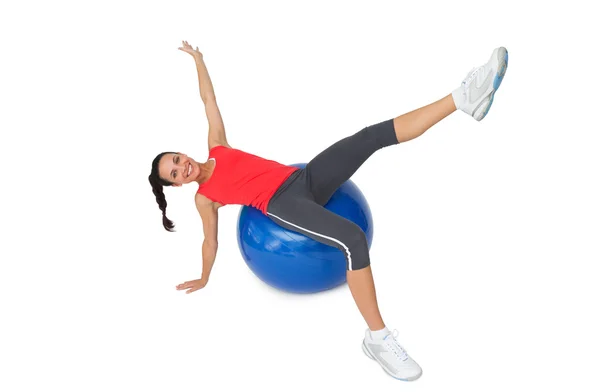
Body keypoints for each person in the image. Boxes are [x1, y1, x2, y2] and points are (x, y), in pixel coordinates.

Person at [148, 41, 508, 381]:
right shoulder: (205, 197)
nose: (183, 168)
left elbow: (208, 99)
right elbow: (210, 240)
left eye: (177, 160)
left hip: (303, 178)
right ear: (178, 184)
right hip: (281, 204)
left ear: (182, 153)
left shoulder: (217, 147)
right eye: (175, 174)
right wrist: (204, 276)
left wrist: (198, 60)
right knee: (353, 239)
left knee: (368, 137)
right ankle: (378, 339)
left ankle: (463, 98)